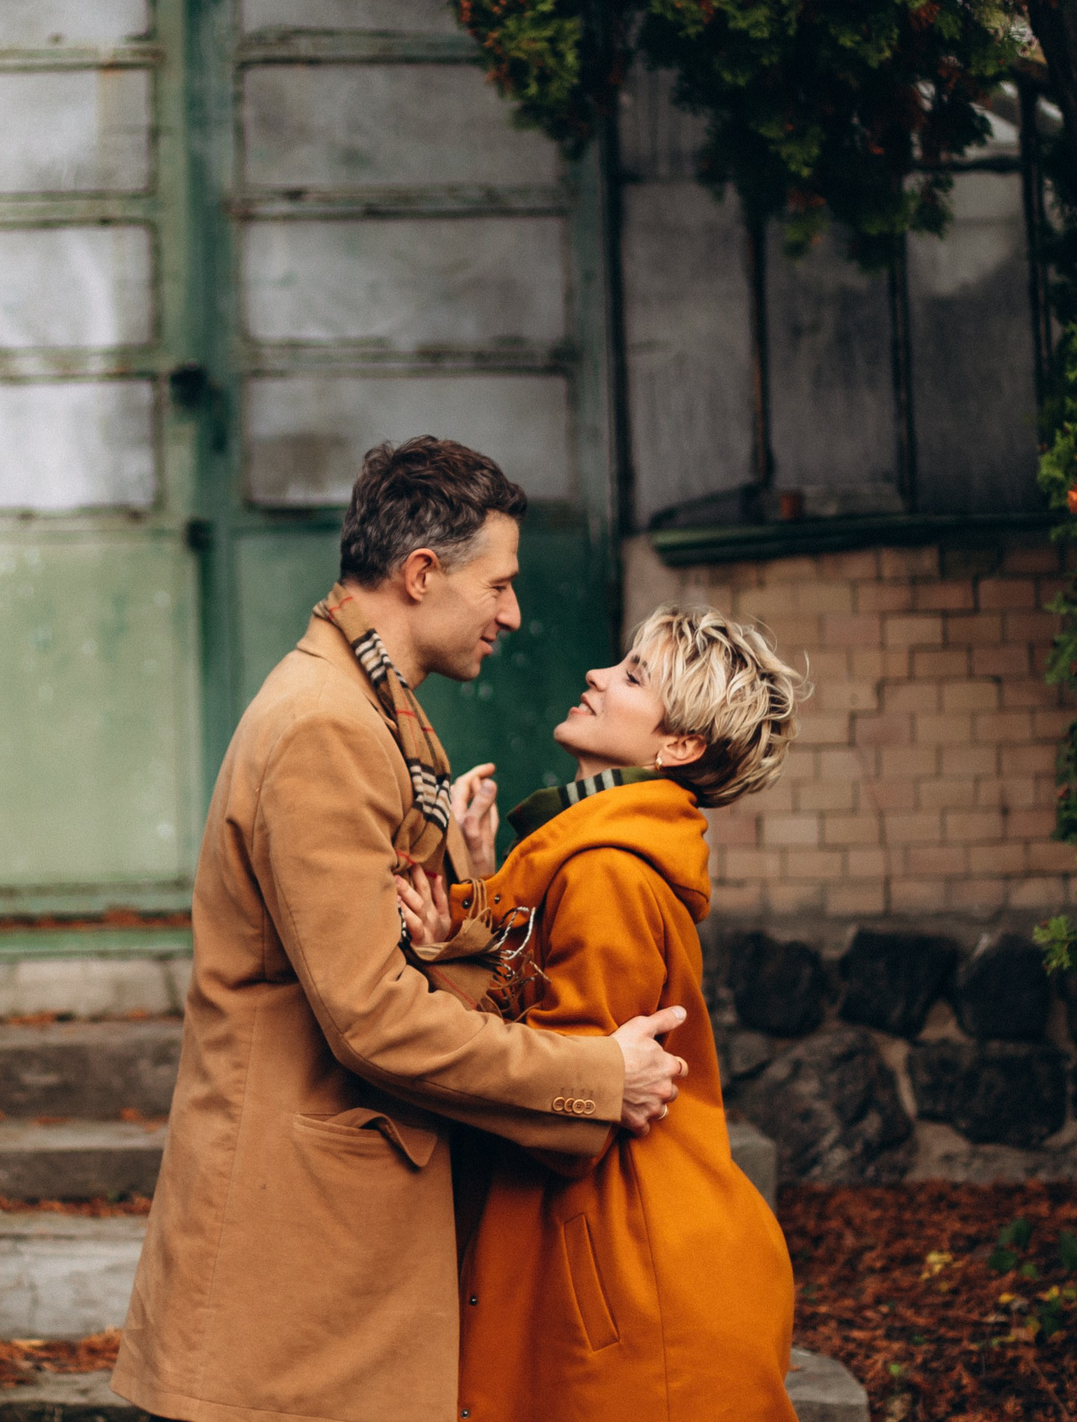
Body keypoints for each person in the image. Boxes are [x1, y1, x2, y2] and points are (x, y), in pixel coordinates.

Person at [112, 438, 692, 1422]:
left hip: (332, 1249)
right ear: (422, 575)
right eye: (499, 585)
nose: (512, 614)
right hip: (297, 1264)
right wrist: (598, 1078)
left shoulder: (376, 711)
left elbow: (409, 965)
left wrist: (468, 901)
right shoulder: (327, 729)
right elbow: (372, 1019)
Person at [396, 603, 809, 1422]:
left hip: (624, 1273)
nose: (597, 674)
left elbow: (564, 1107)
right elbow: (561, 1033)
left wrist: (451, 955)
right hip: (643, 1250)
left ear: (678, 746)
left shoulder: (606, 874)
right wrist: (485, 887)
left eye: (632, 675)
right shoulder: (598, 861)